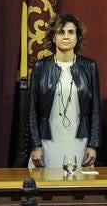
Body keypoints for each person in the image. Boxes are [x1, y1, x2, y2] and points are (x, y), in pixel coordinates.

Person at [28, 13, 101, 169]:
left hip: (79, 140)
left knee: (78, 189)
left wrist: (93, 144)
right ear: (53, 37)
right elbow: (32, 111)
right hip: (47, 141)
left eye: (71, 32)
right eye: (61, 32)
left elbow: (95, 109)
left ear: (77, 37)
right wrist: (36, 145)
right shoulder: (40, 67)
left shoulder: (89, 67)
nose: (66, 36)